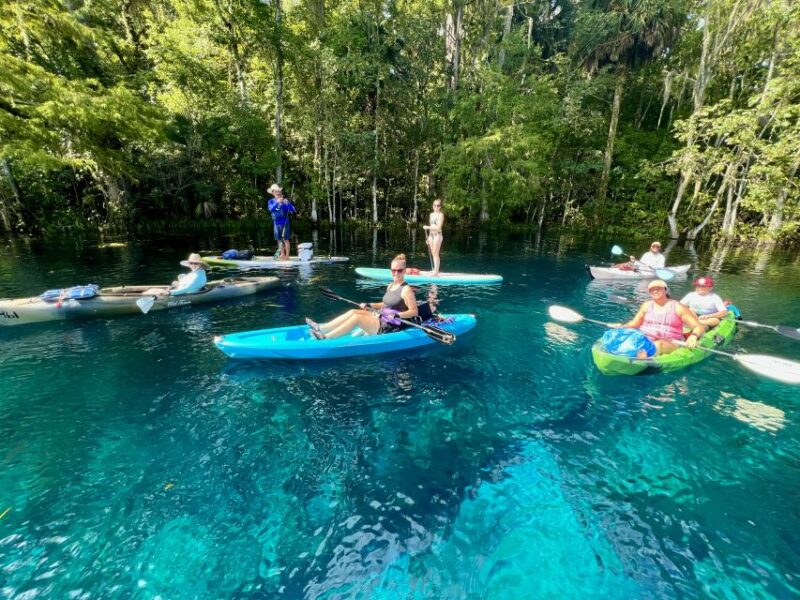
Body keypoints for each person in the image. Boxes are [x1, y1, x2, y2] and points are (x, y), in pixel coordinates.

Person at [305, 254, 419, 340]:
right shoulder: (391, 285)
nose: (396, 273)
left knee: (357, 319)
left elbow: (414, 311)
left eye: (399, 271)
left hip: (391, 325)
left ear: (404, 271)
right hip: (382, 316)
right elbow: (384, 304)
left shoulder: (406, 290)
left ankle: (325, 337)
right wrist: (369, 305)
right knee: (353, 312)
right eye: (393, 270)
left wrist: (397, 315)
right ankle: (322, 328)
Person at [611, 279, 705, 356]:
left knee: (658, 345)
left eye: (658, 289)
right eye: (652, 289)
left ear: (665, 290)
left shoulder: (678, 307)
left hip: (670, 341)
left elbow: (699, 327)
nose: (655, 291)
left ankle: (644, 357)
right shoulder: (646, 305)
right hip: (646, 337)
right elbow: (636, 322)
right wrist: (623, 326)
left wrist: (694, 336)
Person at [267, 183, 296, 260]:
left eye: (279, 192)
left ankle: (287, 256)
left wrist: (288, 204)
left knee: (286, 239)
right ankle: (282, 254)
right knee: (278, 240)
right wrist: (277, 202)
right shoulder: (271, 201)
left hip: (285, 223)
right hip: (276, 223)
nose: (278, 193)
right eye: (276, 192)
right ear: (273, 193)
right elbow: (271, 209)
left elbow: (293, 209)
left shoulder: (285, 201)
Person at [422, 199, 445, 276]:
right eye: (435, 205)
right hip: (431, 236)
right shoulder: (431, 215)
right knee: (433, 253)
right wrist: (428, 237)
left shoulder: (441, 215)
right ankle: (435, 270)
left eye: (438, 205)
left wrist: (427, 227)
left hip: (437, 235)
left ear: (440, 207)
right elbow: (432, 226)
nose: (436, 207)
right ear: (433, 206)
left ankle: (436, 272)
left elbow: (438, 228)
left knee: (435, 253)